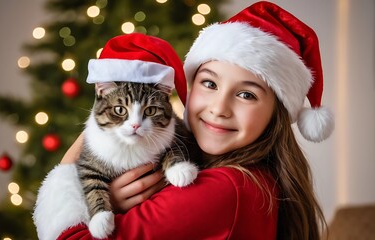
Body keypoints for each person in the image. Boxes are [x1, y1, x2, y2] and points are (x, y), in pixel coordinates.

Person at [33, 1, 334, 239]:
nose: (219, 108)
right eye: (210, 84)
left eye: (246, 95)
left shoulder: (227, 189)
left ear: (277, 113)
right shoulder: (243, 175)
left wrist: (71, 169)